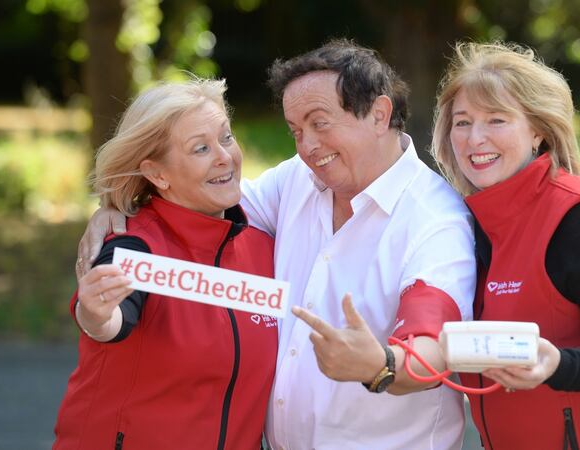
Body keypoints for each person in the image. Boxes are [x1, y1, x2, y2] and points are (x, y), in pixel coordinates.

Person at [79, 39, 476, 449]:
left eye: (319, 123)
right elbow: (194, 199)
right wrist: (119, 210)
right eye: (295, 131)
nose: (307, 148)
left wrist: (382, 364)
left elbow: (431, 344)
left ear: (379, 114)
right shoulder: (297, 180)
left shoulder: (436, 221)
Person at [429, 41, 580, 449]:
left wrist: (557, 364)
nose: (475, 139)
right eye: (463, 122)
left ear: (538, 131)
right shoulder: (467, 223)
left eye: (496, 120)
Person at [53, 79, 278, 450]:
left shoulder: (263, 248)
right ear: (157, 174)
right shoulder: (137, 245)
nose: (224, 156)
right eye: (200, 148)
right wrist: (95, 314)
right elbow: (111, 322)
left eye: (226, 138)